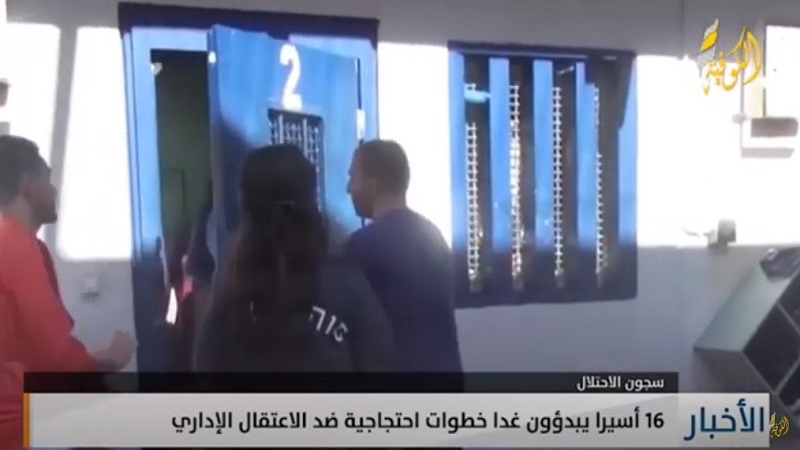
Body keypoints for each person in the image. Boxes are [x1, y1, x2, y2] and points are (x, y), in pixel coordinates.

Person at [193, 144, 393, 373]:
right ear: (310, 202)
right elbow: (379, 363)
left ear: (246, 206)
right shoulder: (344, 280)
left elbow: (205, 362)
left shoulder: (231, 283)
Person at [0, 135, 136, 448]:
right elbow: (59, 360)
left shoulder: (27, 247)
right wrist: (110, 360)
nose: (54, 190)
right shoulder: (14, 246)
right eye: (48, 179)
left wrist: (94, 361)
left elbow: (32, 351)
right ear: (29, 185)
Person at [345, 139, 463, 372]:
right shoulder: (434, 237)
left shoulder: (361, 247)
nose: (349, 188)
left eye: (353, 177)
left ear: (373, 184)